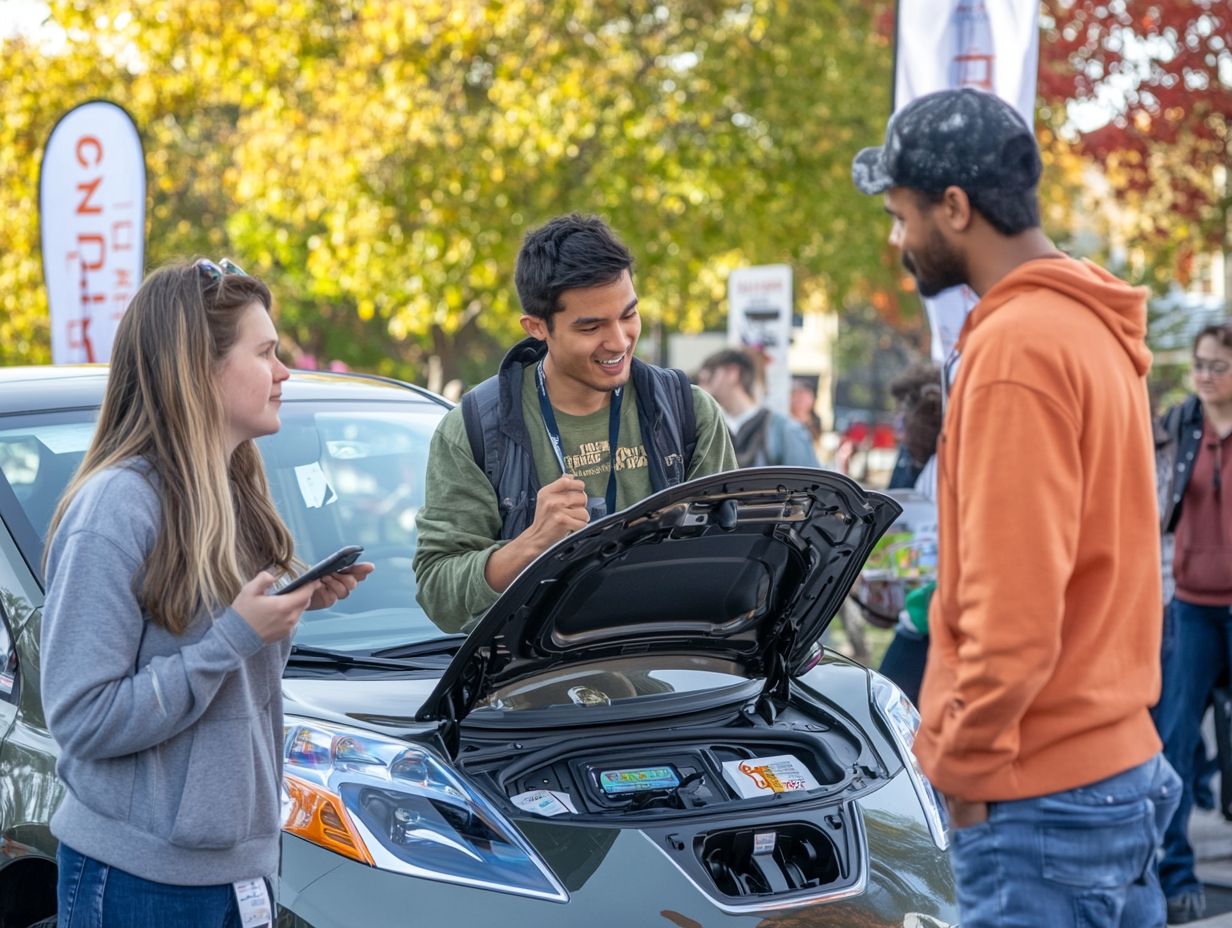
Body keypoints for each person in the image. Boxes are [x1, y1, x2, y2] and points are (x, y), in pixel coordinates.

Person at [853, 87, 1179, 927]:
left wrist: (960, 770)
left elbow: (1014, 610)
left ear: (954, 207)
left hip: (1038, 796)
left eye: (901, 216)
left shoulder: (1015, 348)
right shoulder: (1086, 326)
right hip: (1111, 766)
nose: (897, 241)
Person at [40, 260, 372, 926]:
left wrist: (287, 612)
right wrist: (236, 635)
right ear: (200, 366)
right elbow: (80, 718)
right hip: (138, 879)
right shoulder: (117, 509)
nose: (285, 372)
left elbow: (226, 694)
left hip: (241, 871)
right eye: (267, 353)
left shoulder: (237, 499)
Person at [413, 215, 736, 632]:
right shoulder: (475, 431)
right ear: (537, 327)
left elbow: (735, 556)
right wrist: (531, 545)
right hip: (536, 687)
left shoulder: (688, 412)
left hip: (674, 675)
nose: (618, 341)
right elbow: (439, 593)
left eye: (628, 315)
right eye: (591, 326)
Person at [1153, 322, 1232, 923]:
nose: (1205, 375)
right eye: (1200, 363)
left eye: (1217, 365)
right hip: (1192, 606)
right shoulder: (1183, 424)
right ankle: (1176, 873)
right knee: (1175, 741)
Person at [874, 362, 942, 705]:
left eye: (905, 417)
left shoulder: (944, 464)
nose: (899, 430)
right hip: (918, 611)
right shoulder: (917, 463)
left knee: (890, 705)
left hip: (929, 617)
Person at [696, 349, 820, 468]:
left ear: (732, 372)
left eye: (708, 378)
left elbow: (807, 485)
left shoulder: (786, 430)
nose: (701, 387)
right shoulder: (708, 428)